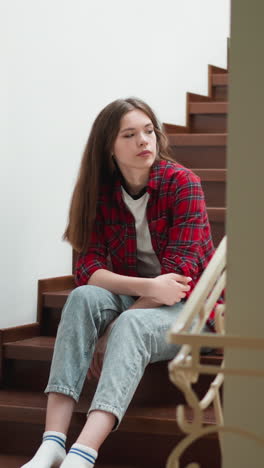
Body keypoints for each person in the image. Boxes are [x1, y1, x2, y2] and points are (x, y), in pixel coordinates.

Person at [21, 97, 219, 468]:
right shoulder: (102, 192)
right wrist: (147, 288)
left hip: (195, 310)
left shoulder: (183, 184)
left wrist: (113, 331)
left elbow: (179, 276)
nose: (144, 141)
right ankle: (52, 442)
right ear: (109, 148)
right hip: (145, 296)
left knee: (130, 323)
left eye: (149, 131)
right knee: (82, 297)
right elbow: (88, 267)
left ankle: (84, 452)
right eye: (130, 134)